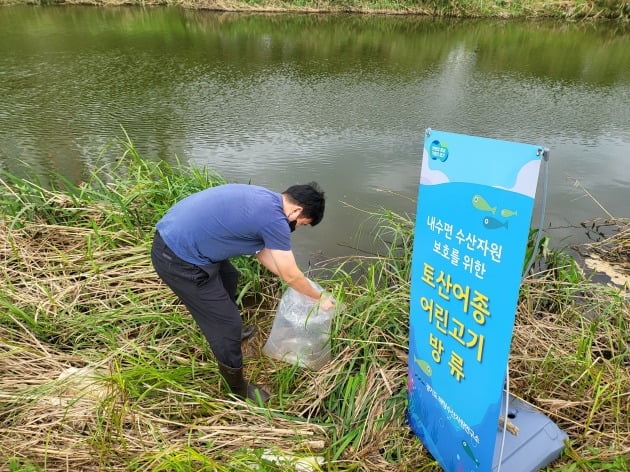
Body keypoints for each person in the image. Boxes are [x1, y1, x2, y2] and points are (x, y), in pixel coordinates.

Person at [151, 182, 333, 403]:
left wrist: (298, 284)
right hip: (179, 259)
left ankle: (230, 335)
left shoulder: (265, 199)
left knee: (230, 277)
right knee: (227, 324)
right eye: (302, 224)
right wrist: (317, 296)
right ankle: (236, 387)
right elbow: (290, 274)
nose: (297, 227)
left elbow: (264, 253)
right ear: (296, 211)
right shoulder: (276, 220)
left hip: (178, 239)